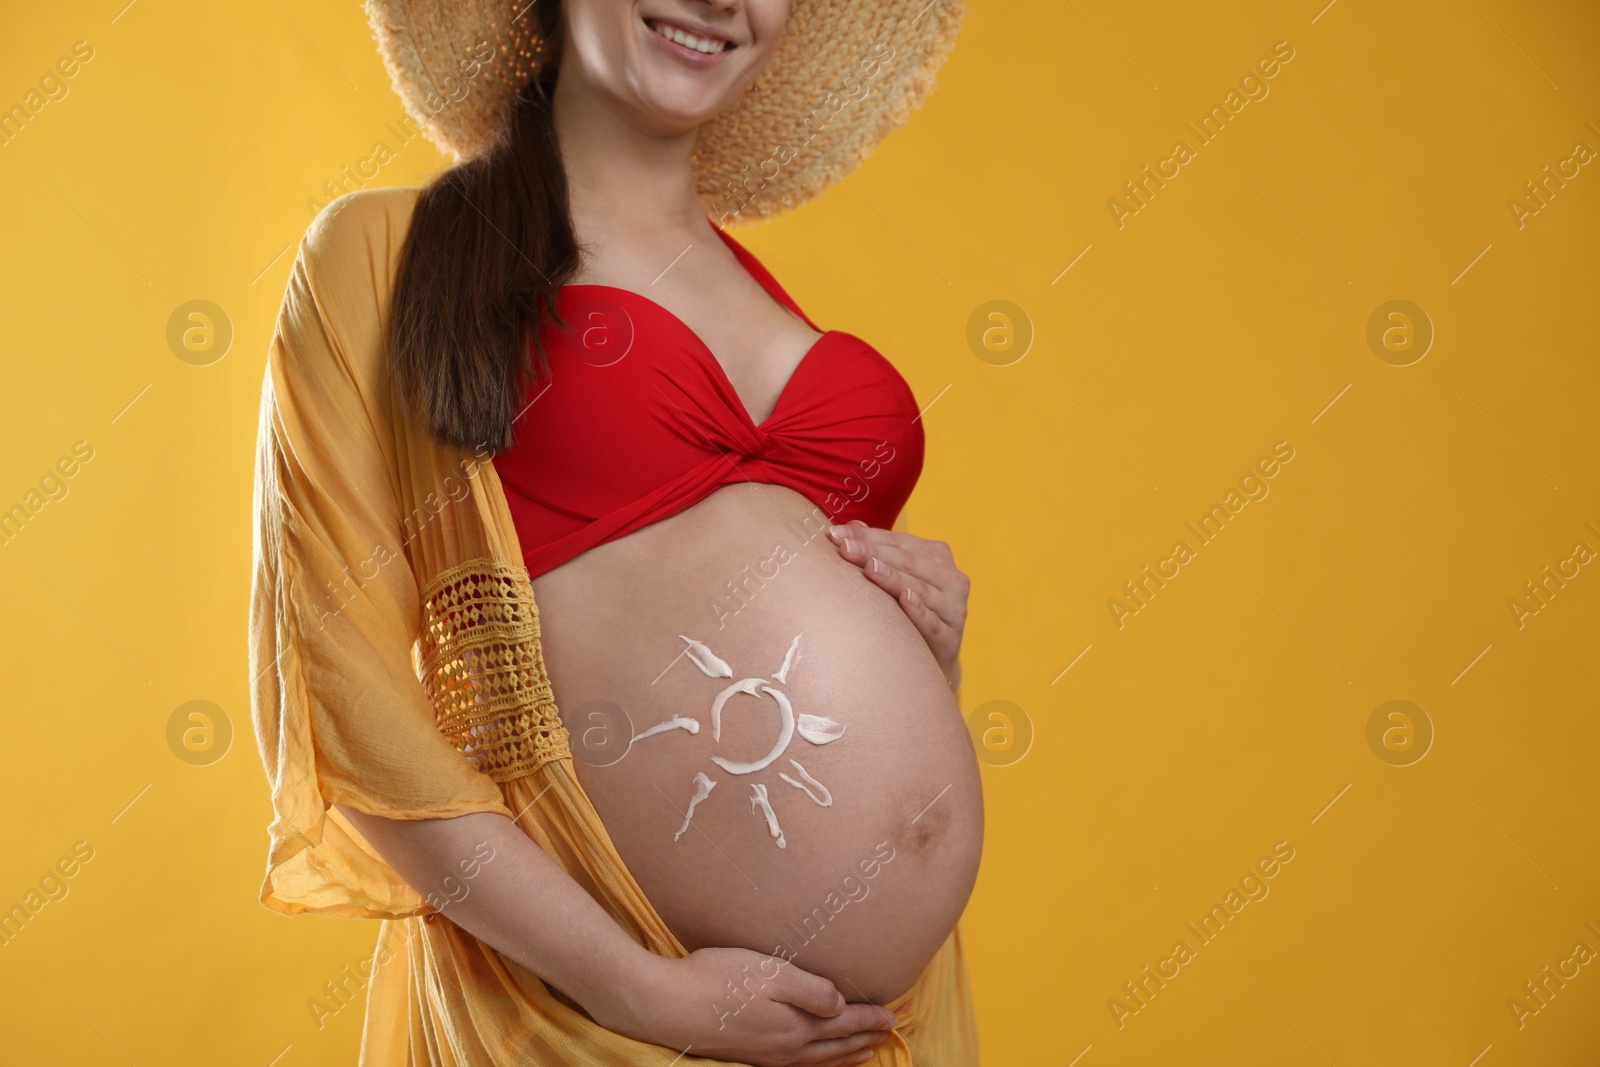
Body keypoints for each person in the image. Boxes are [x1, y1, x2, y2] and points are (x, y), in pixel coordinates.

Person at [248, 1, 979, 1064]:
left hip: (864, 1033)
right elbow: (334, 685)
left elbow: (783, 678)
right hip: (581, 1016)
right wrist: (636, 988)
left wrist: (928, 651)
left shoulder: (777, 310)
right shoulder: (388, 255)